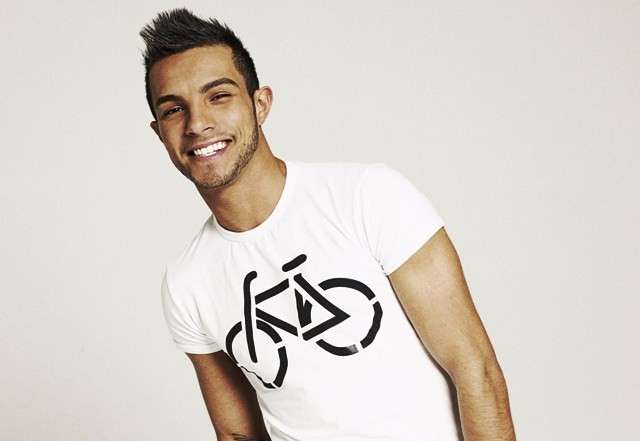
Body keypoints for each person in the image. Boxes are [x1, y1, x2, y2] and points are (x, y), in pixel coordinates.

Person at [140, 8, 516, 441]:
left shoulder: (368, 197)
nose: (197, 124)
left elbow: (475, 370)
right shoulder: (187, 281)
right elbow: (238, 434)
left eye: (219, 96)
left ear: (260, 104)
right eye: (174, 110)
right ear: (159, 132)